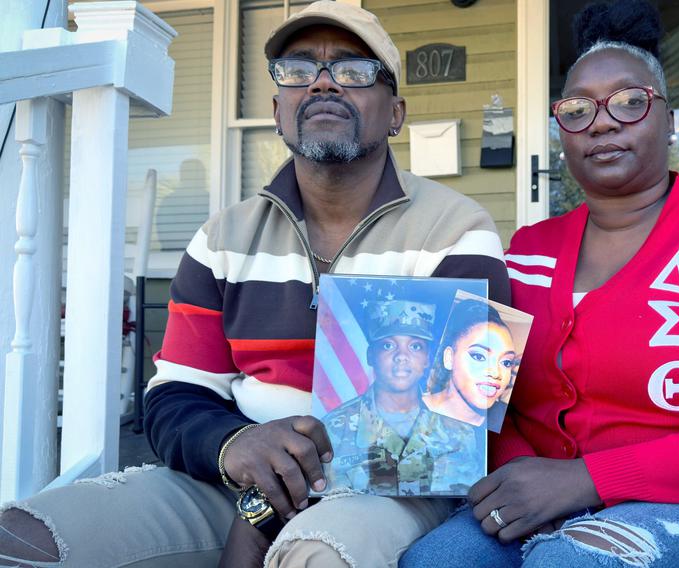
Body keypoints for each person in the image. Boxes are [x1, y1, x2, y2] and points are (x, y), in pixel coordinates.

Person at [0, 2, 509, 567]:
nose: (321, 83)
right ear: (277, 109)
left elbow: (456, 421)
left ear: (395, 112)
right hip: (234, 482)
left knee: (317, 556)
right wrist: (234, 446)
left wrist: (280, 501)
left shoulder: (455, 230)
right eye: (297, 70)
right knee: (24, 539)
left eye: (353, 70)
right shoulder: (224, 238)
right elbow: (174, 397)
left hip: (390, 488)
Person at [402, 1, 679, 567]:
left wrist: (588, 481)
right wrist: (521, 475)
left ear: (670, 118)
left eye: (630, 102)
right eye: (577, 109)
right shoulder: (529, 249)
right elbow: (487, 398)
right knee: (436, 562)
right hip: (554, 500)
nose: (602, 122)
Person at [322, 300, 484, 496]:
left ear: (427, 359)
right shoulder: (332, 429)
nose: (401, 356)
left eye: (415, 346)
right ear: (371, 355)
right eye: (388, 345)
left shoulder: (459, 432)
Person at [423, 299, 517, 428]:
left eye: (506, 362)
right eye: (478, 356)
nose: (496, 373)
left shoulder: (507, 421)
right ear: (449, 358)